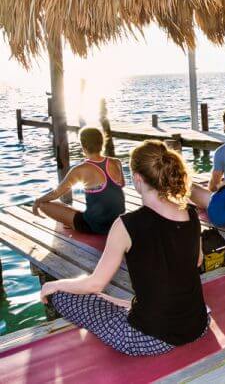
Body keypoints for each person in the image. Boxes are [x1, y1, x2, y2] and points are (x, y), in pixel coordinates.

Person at [40, 140, 209, 356]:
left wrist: (53, 286)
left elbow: (96, 284)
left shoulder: (126, 224)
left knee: (63, 296)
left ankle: (128, 307)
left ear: (137, 179)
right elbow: (196, 261)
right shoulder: (192, 213)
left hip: (149, 338)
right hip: (198, 325)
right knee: (121, 299)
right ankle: (132, 306)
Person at [32, 127, 125, 234]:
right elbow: (121, 185)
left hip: (95, 227)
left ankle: (72, 223)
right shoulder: (116, 162)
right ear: (102, 143)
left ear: (83, 147)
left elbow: (55, 194)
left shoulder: (80, 169)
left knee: (44, 204)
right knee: (66, 207)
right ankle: (72, 221)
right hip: (118, 223)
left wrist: (37, 201)